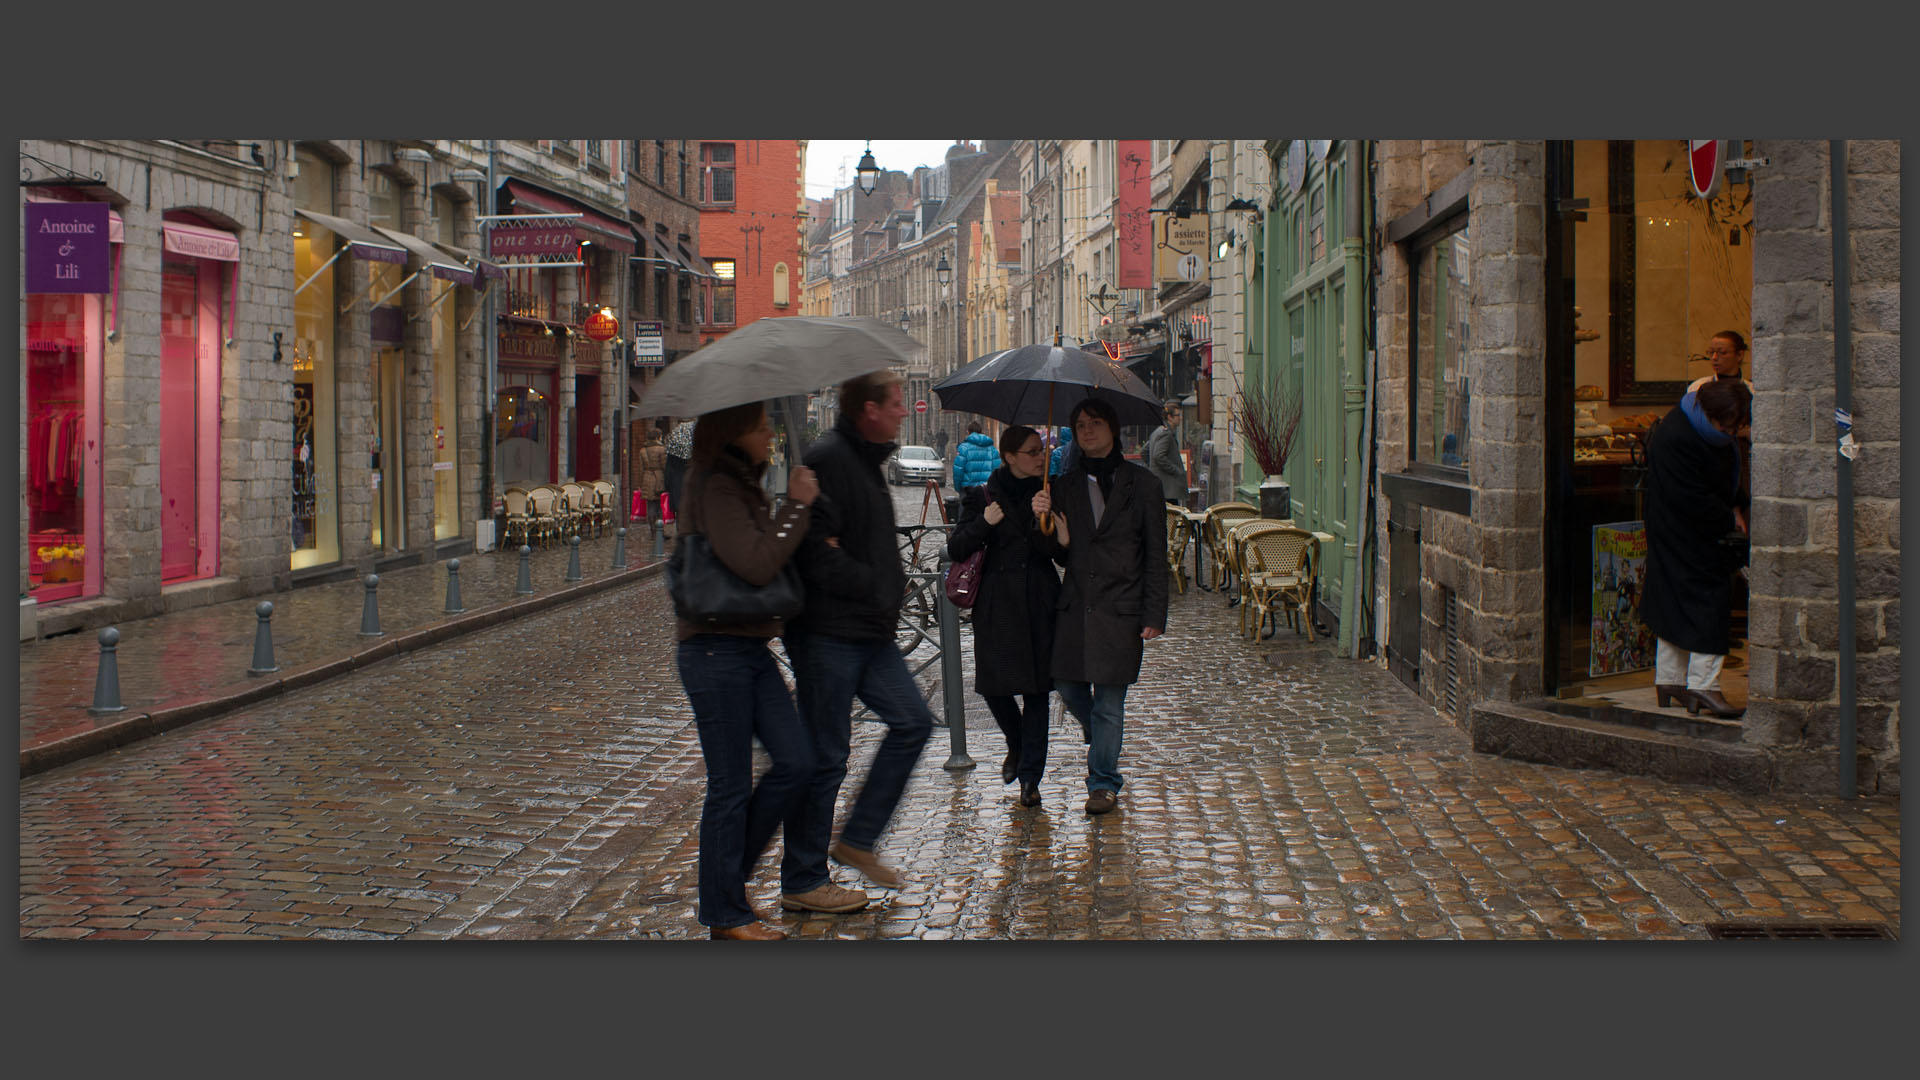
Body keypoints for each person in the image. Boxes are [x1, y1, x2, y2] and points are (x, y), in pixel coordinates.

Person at [780, 369, 934, 913]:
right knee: (826, 758)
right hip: (827, 632)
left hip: (868, 632)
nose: (901, 410)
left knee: (913, 722)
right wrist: (873, 585)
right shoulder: (828, 459)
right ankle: (802, 880)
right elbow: (817, 553)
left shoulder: (866, 461)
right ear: (868, 409)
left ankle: (856, 840)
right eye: (894, 403)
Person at [673, 400, 820, 940]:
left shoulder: (741, 482)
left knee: (796, 762)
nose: (769, 436)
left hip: (747, 648)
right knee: (730, 786)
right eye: (761, 429)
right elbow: (756, 563)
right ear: (736, 435)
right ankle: (724, 911)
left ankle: (728, 875)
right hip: (715, 651)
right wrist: (796, 508)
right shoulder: (715, 486)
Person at [1031, 397, 1169, 815]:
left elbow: (1156, 554)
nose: (1086, 431)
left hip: (1122, 608)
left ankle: (1103, 783)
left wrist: (1153, 614)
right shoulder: (1064, 486)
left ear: (1113, 428)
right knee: (1068, 686)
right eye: (1079, 425)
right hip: (1076, 606)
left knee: (1110, 700)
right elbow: (1056, 554)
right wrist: (1055, 532)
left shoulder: (1143, 485)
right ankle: (1101, 734)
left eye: (1094, 423)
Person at [946, 425, 1061, 809]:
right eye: (1032, 451)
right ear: (1009, 456)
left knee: (1037, 692)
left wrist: (1045, 520)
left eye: (1041, 449)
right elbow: (957, 546)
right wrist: (985, 522)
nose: (1040, 456)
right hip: (996, 604)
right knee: (994, 687)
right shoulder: (982, 495)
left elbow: (1058, 554)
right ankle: (1016, 742)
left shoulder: (1047, 492)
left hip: (1039, 600)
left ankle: (1031, 778)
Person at [1637, 378, 1752, 719]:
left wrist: (1735, 505)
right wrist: (1728, 518)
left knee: (1676, 600)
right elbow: (1690, 495)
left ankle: (1670, 680)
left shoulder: (1700, 429)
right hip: (1684, 530)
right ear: (1710, 413)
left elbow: (1721, 478)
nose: (1731, 434)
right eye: (1727, 426)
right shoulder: (1678, 437)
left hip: (1685, 526)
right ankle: (1704, 684)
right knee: (1709, 599)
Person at [1145, 400, 1188, 506]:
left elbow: (1145, 452)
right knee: (1173, 516)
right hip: (1167, 490)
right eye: (1177, 415)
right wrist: (1175, 471)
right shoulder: (1165, 434)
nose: (1180, 418)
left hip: (1163, 488)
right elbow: (1158, 456)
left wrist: (1154, 469)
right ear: (1170, 417)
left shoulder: (1158, 431)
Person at [630, 425, 668, 536]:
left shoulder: (642, 450)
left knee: (650, 505)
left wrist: (640, 483)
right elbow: (664, 465)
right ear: (658, 437)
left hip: (647, 477)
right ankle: (660, 531)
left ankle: (652, 531)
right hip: (658, 477)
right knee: (658, 505)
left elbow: (640, 468)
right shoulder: (662, 449)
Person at [951, 420, 998, 496]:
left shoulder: (963, 448)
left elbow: (958, 471)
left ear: (969, 432)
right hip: (986, 490)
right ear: (981, 431)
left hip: (968, 490)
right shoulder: (993, 449)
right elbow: (996, 470)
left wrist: (958, 488)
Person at [663, 418, 694, 523]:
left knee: (680, 512)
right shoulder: (695, 453)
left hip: (677, 486)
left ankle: (681, 531)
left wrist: (667, 485)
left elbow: (668, 471)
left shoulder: (673, 453)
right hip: (691, 485)